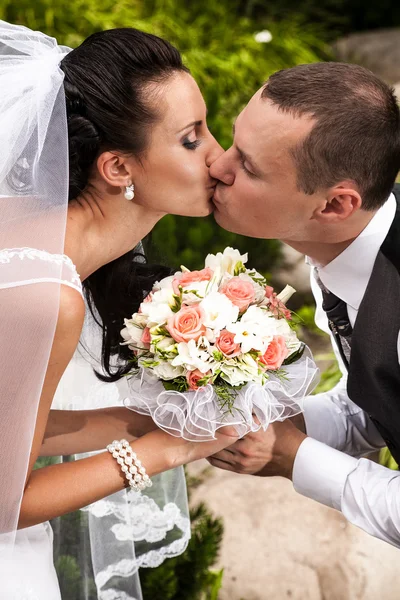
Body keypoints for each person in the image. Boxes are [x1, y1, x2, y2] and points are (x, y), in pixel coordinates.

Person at [0, 22, 238, 600]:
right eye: (191, 139)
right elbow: (6, 503)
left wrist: (148, 420)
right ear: (118, 169)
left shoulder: (24, 226)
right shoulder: (48, 295)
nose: (219, 156)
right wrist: (166, 450)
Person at [209, 61, 400, 548]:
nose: (218, 167)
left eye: (248, 166)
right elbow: (379, 402)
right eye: (233, 141)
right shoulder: (346, 249)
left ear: (336, 206)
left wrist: (295, 457)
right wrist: (274, 424)